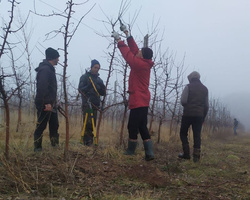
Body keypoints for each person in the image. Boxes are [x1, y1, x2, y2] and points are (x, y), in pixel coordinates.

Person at [111, 24, 154, 161]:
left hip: (139, 100)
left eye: (140, 52)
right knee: (141, 126)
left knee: (133, 126)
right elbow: (134, 50)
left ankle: (130, 151)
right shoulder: (143, 61)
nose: (138, 52)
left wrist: (119, 41)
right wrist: (127, 33)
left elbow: (128, 55)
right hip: (142, 100)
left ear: (143, 56)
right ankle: (149, 153)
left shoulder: (140, 64)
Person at [178, 71, 209, 162]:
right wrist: (203, 117)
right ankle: (196, 157)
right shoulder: (205, 89)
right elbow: (206, 106)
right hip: (199, 116)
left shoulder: (188, 87)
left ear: (191, 78)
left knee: (183, 133)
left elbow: (183, 101)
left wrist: (188, 106)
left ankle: (186, 154)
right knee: (197, 135)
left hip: (187, 114)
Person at [34, 47, 60, 152]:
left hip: (51, 103)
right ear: (52, 58)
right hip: (45, 104)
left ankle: (55, 146)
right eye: (57, 57)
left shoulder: (49, 69)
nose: (58, 59)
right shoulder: (45, 69)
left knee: (54, 125)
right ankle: (37, 148)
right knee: (41, 125)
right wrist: (47, 103)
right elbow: (42, 87)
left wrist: (54, 103)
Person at [78, 59, 106, 146]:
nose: (97, 69)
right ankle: (87, 142)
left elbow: (103, 93)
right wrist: (88, 86)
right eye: (95, 67)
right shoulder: (85, 77)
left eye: (98, 68)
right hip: (87, 103)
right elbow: (80, 90)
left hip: (96, 104)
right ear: (91, 67)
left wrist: (102, 88)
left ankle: (90, 140)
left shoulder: (99, 80)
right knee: (88, 123)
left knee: (93, 122)